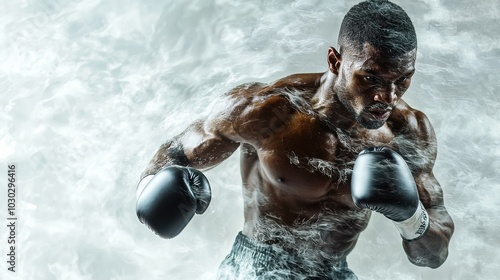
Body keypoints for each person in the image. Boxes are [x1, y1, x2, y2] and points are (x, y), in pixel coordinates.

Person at [135, 0, 454, 279]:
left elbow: (434, 255)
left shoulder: (408, 132)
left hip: (333, 272)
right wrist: (152, 189)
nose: (387, 96)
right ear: (335, 61)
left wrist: (410, 215)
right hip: (258, 268)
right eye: (371, 78)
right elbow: (176, 151)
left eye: (403, 80)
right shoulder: (269, 112)